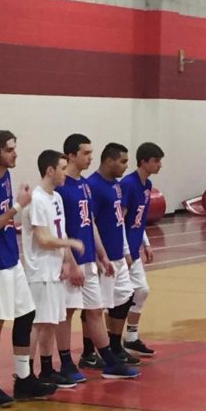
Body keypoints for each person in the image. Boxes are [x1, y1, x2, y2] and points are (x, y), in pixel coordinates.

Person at [0, 129, 57, 406]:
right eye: (9, 149)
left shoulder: (5, 176)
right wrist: (18, 207)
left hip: (8, 257)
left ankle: (23, 378)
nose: (15, 154)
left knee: (26, 313)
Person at [57, 134, 139, 380]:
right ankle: (65, 362)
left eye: (91, 153)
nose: (90, 158)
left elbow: (90, 223)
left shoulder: (84, 185)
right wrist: (69, 262)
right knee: (68, 312)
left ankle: (110, 361)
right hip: (72, 261)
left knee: (95, 309)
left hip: (90, 259)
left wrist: (101, 255)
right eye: (85, 153)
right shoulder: (62, 186)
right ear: (71, 155)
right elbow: (59, 229)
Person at [21, 150, 86, 388]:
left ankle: (47, 369)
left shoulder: (55, 198)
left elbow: (60, 233)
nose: (65, 173)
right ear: (50, 170)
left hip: (55, 270)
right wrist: (70, 244)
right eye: (61, 167)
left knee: (50, 322)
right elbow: (43, 239)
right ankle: (24, 373)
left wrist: (68, 260)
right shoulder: (37, 199)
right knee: (37, 323)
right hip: (39, 271)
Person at [88, 143, 140, 364]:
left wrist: (126, 249)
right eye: (122, 161)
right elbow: (90, 224)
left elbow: (120, 221)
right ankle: (89, 351)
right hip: (104, 256)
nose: (125, 166)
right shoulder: (93, 186)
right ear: (108, 161)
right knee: (95, 305)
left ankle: (115, 344)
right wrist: (98, 255)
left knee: (125, 297)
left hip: (118, 253)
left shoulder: (117, 186)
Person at [120, 142, 164, 356]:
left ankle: (131, 337)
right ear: (144, 161)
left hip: (135, 247)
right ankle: (108, 342)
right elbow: (120, 220)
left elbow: (140, 218)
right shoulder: (128, 184)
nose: (159, 165)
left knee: (142, 290)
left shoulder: (147, 186)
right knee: (120, 296)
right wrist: (126, 250)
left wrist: (146, 243)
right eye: (156, 161)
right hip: (122, 250)